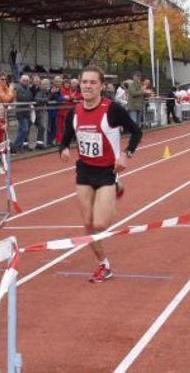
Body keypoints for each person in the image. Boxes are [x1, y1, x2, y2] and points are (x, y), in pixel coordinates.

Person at [59, 65, 142, 283]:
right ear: (79, 84)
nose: (88, 86)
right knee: (88, 223)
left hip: (107, 172)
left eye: (93, 82)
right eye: (84, 82)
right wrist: (64, 149)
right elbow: (65, 138)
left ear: (101, 86)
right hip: (84, 171)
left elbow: (136, 131)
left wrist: (126, 154)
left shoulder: (112, 109)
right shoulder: (74, 112)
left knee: (100, 225)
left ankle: (116, 186)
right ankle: (104, 265)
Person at [12, 74, 33, 153]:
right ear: (21, 80)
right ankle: (16, 146)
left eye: (27, 81)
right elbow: (23, 98)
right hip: (21, 112)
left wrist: (28, 95)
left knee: (21, 130)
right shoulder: (18, 88)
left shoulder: (27, 88)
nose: (26, 82)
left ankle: (19, 147)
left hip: (26, 112)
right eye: (24, 80)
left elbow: (29, 97)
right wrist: (28, 95)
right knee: (24, 129)